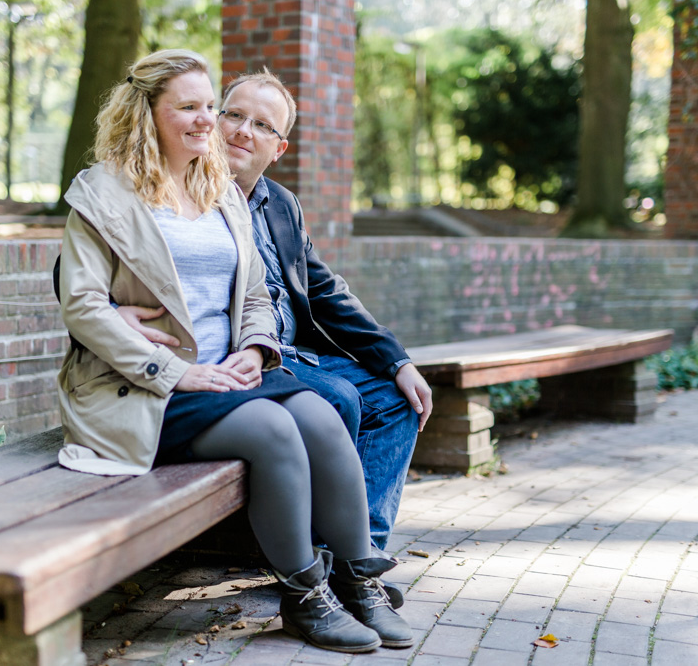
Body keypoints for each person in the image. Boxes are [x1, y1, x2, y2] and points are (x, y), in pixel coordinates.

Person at [55, 49, 411, 653]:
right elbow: (82, 302)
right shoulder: (104, 193)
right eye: (188, 107)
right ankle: (303, 596)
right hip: (146, 390)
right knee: (274, 427)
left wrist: (256, 346)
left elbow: (252, 295)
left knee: (322, 413)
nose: (205, 120)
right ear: (147, 113)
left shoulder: (218, 189)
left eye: (208, 106)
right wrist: (177, 372)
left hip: (230, 377)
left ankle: (358, 577)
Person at [117, 69, 434, 552]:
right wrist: (110, 309)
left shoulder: (281, 204)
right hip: (238, 356)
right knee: (339, 398)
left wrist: (396, 359)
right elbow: (83, 263)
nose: (244, 131)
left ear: (279, 148)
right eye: (234, 115)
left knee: (395, 400)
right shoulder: (173, 186)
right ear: (213, 119)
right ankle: (306, 547)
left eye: (263, 125)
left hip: (294, 350)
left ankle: (359, 551)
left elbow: (326, 291)